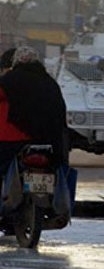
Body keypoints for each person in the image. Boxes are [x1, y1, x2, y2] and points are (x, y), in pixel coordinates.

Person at [0, 46, 68, 177]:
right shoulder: (50, 83)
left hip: (14, 140)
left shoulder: (9, 80)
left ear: (16, 61)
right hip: (49, 141)